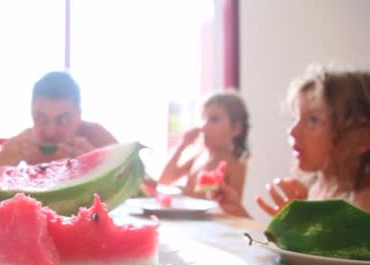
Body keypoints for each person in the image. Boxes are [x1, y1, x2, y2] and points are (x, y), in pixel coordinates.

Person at [213, 66, 370, 217]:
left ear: (362, 138)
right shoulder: (315, 187)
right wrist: (240, 214)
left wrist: (302, 226)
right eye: (295, 118)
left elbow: (336, 245)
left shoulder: (362, 205)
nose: (292, 131)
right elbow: (281, 244)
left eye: (313, 120)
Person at [0, 71, 118, 168]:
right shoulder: (18, 146)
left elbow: (138, 184)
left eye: (63, 119)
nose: (50, 132)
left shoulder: (98, 138)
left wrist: (98, 165)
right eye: (41, 118)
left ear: (79, 115)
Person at [157, 90, 250, 199]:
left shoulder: (235, 164)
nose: (204, 126)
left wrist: (183, 191)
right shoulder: (198, 157)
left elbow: (233, 208)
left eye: (213, 119)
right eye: (203, 118)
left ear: (236, 129)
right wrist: (182, 145)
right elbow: (164, 179)